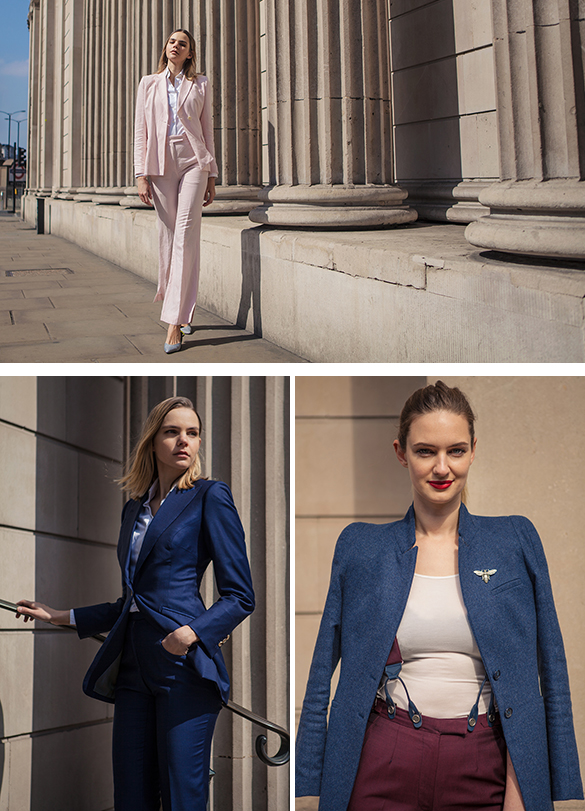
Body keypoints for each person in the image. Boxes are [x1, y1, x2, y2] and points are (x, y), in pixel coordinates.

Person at [295, 381, 583, 811]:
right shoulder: (360, 547)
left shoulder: (515, 539)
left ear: (473, 450)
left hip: (484, 762)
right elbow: (321, 677)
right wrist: (307, 784)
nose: (442, 467)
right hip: (382, 759)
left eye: (456, 450)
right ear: (401, 453)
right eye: (425, 451)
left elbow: (550, 671)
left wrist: (544, 788)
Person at [16, 396, 254, 811]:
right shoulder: (133, 510)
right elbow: (133, 601)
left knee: (182, 798)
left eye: (193, 433)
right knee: (130, 796)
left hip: (182, 665)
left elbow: (240, 595)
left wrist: (192, 633)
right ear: (152, 441)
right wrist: (61, 616)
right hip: (131, 668)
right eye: (172, 431)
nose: (184, 441)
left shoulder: (209, 496)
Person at [134, 30, 218, 354]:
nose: (175, 46)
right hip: (159, 162)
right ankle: (185, 309)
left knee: (184, 232)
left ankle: (173, 322)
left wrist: (211, 174)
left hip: (193, 159)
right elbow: (140, 131)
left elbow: (207, 129)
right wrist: (140, 175)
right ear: (166, 48)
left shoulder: (201, 84)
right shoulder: (148, 84)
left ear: (189, 53)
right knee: (170, 237)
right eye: (172, 42)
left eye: (182, 44)